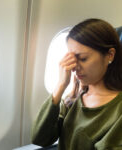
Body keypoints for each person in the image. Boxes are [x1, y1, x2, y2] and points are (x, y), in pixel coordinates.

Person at [31, 18, 122, 150]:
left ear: (110, 55)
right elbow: (40, 138)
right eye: (72, 58)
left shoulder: (118, 110)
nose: (74, 67)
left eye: (83, 58)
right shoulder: (74, 96)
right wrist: (61, 85)